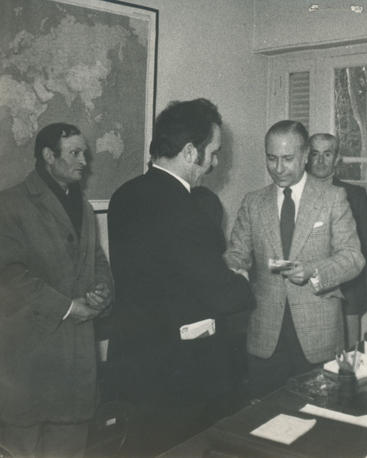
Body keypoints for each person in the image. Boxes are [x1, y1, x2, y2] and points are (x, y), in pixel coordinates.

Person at [107, 99, 254, 456]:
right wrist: (241, 279)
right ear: (190, 152)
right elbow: (222, 295)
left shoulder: (123, 196)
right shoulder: (188, 211)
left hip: (133, 362)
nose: (215, 163)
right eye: (213, 153)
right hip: (180, 374)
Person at [224, 120, 365, 397]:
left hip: (318, 334)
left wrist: (313, 271)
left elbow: (353, 257)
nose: (278, 168)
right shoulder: (253, 202)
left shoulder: (333, 198)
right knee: (264, 413)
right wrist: (234, 268)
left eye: (287, 159)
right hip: (266, 335)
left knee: (320, 412)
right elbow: (236, 253)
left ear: (305, 156)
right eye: (271, 158)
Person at [0, 123, 113, 457]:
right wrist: (68, 307)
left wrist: (103, 290)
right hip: (29, 368)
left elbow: (97, 260)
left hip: (76, 370)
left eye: (84, 153)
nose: (84, 162)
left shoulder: (85, 208)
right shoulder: (10, 204)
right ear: (49, 156)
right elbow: (9, 276)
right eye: (74, 153)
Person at [307, 133, 367, 348]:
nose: (321, 160)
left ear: (337, 158)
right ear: (306, 157)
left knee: (348, 353)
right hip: (306, 286)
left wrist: (336, 272)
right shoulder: (296, 194)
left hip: (347, 289)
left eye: (327, 154)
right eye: (315, 154)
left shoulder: (354, 194)